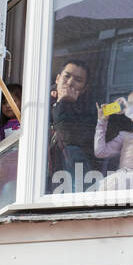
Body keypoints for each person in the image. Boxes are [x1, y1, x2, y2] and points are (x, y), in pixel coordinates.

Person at [49, 60, 96, 190]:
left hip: (73, 177)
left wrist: (62, 103)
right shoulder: (42, 102)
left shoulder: (87, 111)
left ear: (84, 89)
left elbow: (67, 138)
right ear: (58, 79)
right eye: (67, 76)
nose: (70, 82)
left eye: (78, 80)